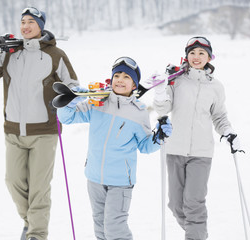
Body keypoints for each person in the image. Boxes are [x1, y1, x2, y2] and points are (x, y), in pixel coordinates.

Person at [0, 7, 79, 240]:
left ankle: (37, 234)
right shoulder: (11, 52)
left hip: (44, 131)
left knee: (39, 189)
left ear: (41, 26)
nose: (25, 26)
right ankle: (30, 222)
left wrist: (63, 99)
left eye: (31, 22)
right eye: (22, 21)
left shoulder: (56, 55)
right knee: (12, 181)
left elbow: (73, 85)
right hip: (13, 130)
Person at [57, 57, 172, 240]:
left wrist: (159, 138)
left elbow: (145, 146)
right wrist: (69, 102)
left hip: (120, 181)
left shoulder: (138, 111)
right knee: (100, 228)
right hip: (94, 177)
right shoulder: (97, 103)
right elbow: (67, 118)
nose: (120, 79)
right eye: (117, 75)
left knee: (115, 228)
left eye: (126, 77)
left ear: (134, 85)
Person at [153, 36, 242, 240]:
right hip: (175, 149)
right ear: (186, 56)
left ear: (210, 57)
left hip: (201, 153)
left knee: (194, 202)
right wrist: (160, 91)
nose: (196, 56)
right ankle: (198, 233)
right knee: (175, 204)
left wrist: (228, 132)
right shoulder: (176, 80)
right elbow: (163, 108)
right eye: (192, 52)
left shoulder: (216, 87)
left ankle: (195, 235)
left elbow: (219, 116)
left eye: (201, 53)